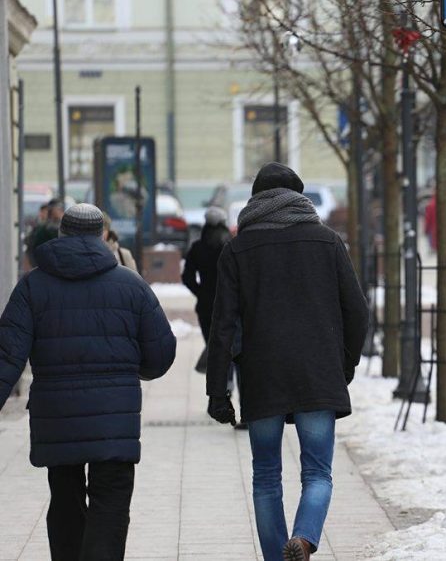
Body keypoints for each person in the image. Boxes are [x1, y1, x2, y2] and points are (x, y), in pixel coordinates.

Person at [206, 162, 369, 561]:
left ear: (255, 199)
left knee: (265, 477)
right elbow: (358, 311)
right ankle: (303, 538)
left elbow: (222, 326)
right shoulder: (327, 241)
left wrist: (217, 392)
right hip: (317, 372)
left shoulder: (238, 249)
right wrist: (343, 363)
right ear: (300, 196)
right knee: (317, 472)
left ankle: (278, 558)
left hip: (262, 377)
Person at [0, 203, 176, 561]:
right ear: (102, 236)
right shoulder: (131, 285)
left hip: (58, 420)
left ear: (62, 234)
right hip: (115, 420)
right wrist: (131, 370)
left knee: (64, 500)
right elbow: (161, 354)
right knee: (110, 504)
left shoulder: (33, 287)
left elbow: (7, 356)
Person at [182, 206, 232, 346]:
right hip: (230, 303)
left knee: (212, 347)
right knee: (230, 348)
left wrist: (201, 292)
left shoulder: (197, 248)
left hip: (206, 306)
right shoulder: (232, 247)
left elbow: (187, 277)